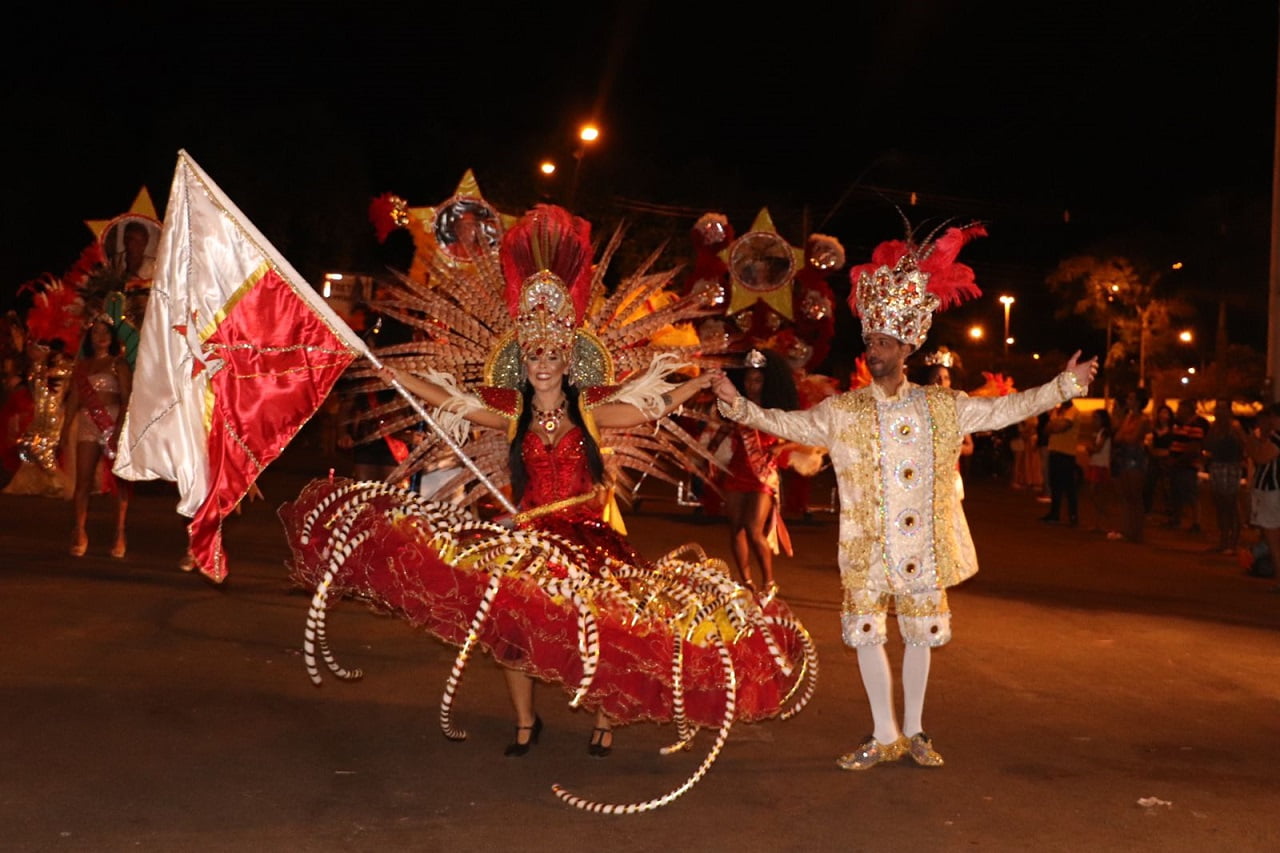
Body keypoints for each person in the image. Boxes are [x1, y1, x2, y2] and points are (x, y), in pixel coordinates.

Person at [354, 206, 802, 763]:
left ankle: (604, 719)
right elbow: (452, 400)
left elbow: (647, 408)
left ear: (569, 358)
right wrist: (397, 375)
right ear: (524, 359)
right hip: (530, 539)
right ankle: (525, 722)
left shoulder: (589, 409)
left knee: (605, 634)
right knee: (512, 636)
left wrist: (698, 387)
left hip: (589, 536)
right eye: (534, 353)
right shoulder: (513, 411)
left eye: (553, 353)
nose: (543, 361)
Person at [711, 222, 1097, 770]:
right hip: (867, 546)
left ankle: (915, 731)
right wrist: (737, 405)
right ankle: (883, 732)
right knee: (866, 635)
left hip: (923, 545)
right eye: (871, 341)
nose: (876, 350)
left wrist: (1065, 385)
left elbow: (1006, 410)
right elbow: (787, 424)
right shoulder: (843, 411)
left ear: (907, 346)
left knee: (919, 637)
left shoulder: (943, 407)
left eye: (886, 343)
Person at [719, 347, 799, 593]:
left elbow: (798, 437)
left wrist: (779, 448)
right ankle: (746, 581)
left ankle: (768, 582)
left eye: (757, 380)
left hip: (763, 473)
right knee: (736, 529)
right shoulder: (733, 405)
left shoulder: (775, 409)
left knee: (754, 529)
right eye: (748, 380)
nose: (752, 385)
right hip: (737, 471)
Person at [61, 317, 132, 557]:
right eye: (96, 333)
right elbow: (72, 400)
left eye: (105, 332)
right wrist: (64, 428)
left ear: (112, 337)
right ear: (89, 339)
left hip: (112, 422)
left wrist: (120, 428)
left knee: (118, 481)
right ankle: (79, 530)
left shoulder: (118, 365)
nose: (101, 336)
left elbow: (126, 399)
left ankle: (119, 533)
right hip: (87, 423)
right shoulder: (81, 366)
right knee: (83, 480)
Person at [1242, 403, 1280, 580]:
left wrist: (1251, 441)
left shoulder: (1277, 438)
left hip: (1273, 490)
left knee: (1273, 539)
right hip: (1271, 490)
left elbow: (1260, 457)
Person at [1204, 398, 1246, 555]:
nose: (1219, 412)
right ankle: (1223, 541)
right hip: (1217, 465)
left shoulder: (1234, 427)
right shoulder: (1214, 427)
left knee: (1231, 503)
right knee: (1220, 504)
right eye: (1217, 408)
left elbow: (1244, 443)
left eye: (1222, 408)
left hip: (1231, 466)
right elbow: (1208, 445)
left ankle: (1233, 542)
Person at [1110, 389, 1151, 543]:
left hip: (1136, 458)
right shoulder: (1128, 417)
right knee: (1126, 496)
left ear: (1139, 402)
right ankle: (1127, 529)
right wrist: (1124, 436)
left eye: (1131, 398)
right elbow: (1118, 436)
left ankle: (1137, 531)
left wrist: (1124, 436)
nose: (1128, 401)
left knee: (1135, 496)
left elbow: (1133, 438)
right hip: (1125, 457)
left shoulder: (1143, 419)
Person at [1167, 399, 1209, 533]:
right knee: (1177, 493)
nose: (1178, 412)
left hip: (1187, 466)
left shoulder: (1195, 426)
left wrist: (1178, 461)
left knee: (1191, 494)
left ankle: (1196, 522)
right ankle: (1176, 519)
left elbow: (1193, 449)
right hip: (1179, 465)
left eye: (1180, 409)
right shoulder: (1181, 425)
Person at [1041, 400, 1081, 526]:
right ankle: (1054, 513)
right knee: (1055, 486)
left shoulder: (1074, 412)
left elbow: (1061, 427)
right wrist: (1056, 425)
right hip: (1055, 452)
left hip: (1066, 453)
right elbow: (1047, 429)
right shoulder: (1058, 411)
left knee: (1069, 487)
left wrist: (1055, 424)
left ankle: (1072, 516)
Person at [1083, 409, 1118, 537]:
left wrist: (1090, 448)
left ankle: (1106, 520)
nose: (1094, 421)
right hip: (1095, 464)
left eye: (1096, 418)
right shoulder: (1098, 432)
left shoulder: (1105, 432)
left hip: (1100, 465)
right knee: (1095, 494)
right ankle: (1098, 522)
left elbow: (1098, 448)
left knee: (1096, 493)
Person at [1144, 404, 1175, 517]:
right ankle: (1147, 510)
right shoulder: (1153, 430)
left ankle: (1170, 510)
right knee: (1149, 485)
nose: (1163, 415)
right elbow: (1148, 443)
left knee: (1167, 486)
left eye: (1166, 413)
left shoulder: (1172, 430)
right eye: (1161, 412)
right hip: (1154, 458)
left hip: (1166, 459)